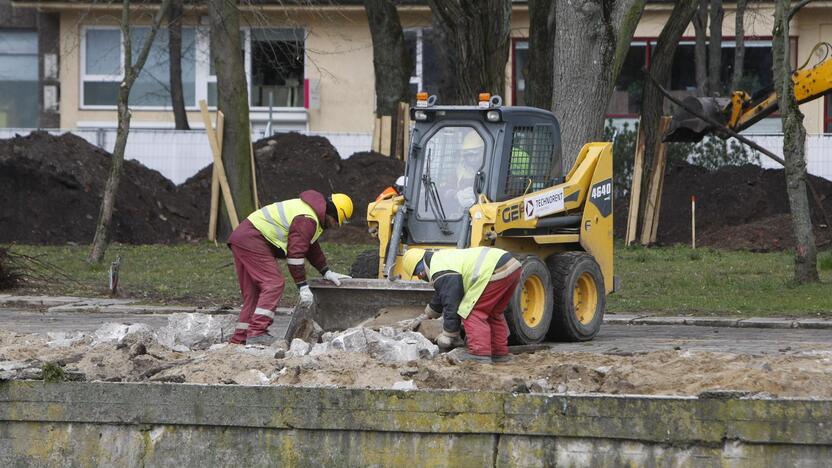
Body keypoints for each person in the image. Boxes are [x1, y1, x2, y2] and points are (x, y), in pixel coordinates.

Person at [227, 190, 354, 346]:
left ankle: (240, 339)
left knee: (253, 293)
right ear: (332, 213)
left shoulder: (308, 212)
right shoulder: (307, 219)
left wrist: (325, 271)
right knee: (273, 283)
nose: (335, 226)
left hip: (242, 237)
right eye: (336, 222)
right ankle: (257, 333)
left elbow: (310, 246)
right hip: (253, 239)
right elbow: (295, 257)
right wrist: (302, 286)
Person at [401, 246, 522, 363]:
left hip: (494, 270)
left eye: (418, 273)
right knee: (493, 314)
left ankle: (479, 354)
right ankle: (498, 353)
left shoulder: (440, 270)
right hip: (511, 266)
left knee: (472, 312)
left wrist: (448, 334)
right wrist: (427, 315)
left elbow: (451, 303)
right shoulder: (440, 261)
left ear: (420, 269)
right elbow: (442, 293)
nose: (420, 277)